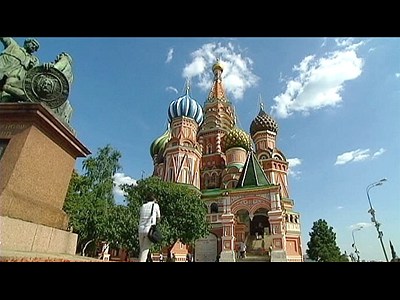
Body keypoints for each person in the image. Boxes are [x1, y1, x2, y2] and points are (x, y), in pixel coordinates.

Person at [0, 37, 40, 102]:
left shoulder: (33, 59)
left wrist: (31, 67)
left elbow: (34, 74)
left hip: (15, 77)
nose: (34, 47)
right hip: (2, 70)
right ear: (27, 43)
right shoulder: (13, 46)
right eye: (33, 44)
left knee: (6, 94)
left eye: (35, 48)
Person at [138, 193, 161, 262]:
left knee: (142, 250)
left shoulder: (143, 206)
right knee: (145, 251)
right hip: (149, 230)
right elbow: (158, 217)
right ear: (154, 199)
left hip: (140, 229)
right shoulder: (155, 205)